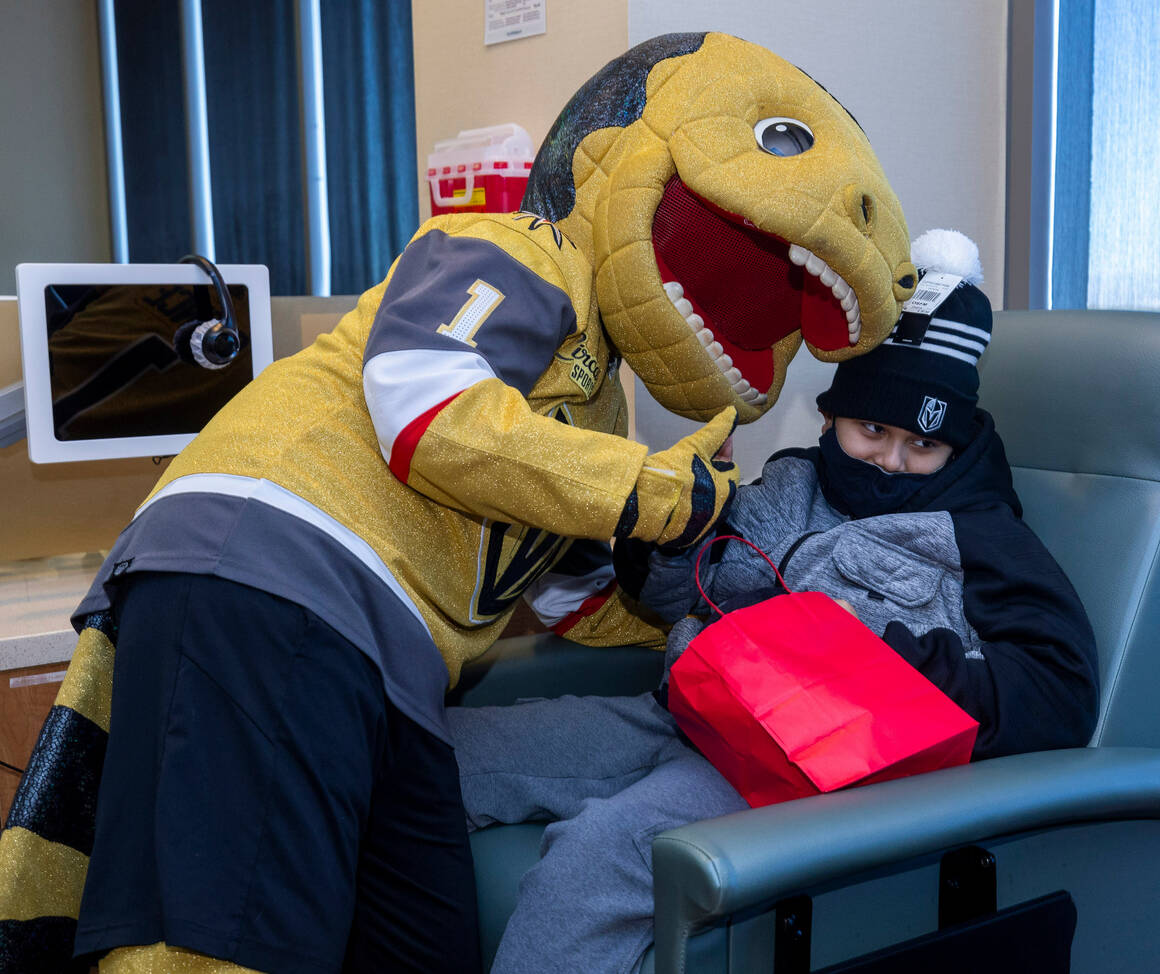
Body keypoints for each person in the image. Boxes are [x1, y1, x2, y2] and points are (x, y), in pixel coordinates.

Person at [19, 33, 919, 974]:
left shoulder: (596, 406)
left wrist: (713, 642)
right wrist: (645, 490)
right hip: (274, 572)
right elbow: (423, 400)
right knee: (230, 944)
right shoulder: (516, 250)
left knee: (423, 942)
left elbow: (570, 587)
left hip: (378, 651)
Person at [447, 229, 1100, 974]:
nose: (891, 461)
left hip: (789, 770)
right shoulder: (794, 483)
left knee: (600, 854)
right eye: (871, 431)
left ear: (959, 445)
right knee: (438, 752)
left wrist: (872, 656)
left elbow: (1060, 689)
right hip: (686, 710)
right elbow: (673, 595)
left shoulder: (982, 535)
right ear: (831, 418)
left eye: (922, 448)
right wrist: (673, 530)